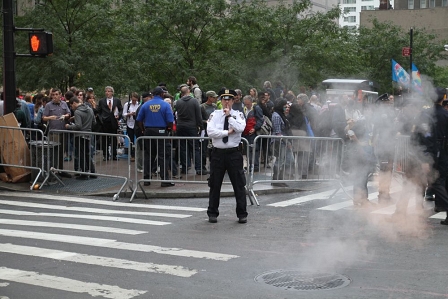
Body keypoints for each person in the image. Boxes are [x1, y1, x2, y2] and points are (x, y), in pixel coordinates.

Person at [206, 88, 248, 224]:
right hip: (218, 153)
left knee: (239, 185)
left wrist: (229, 117)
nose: (226, 102)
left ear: (233, 101)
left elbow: (240, 129)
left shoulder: (238, 114)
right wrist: (226, 133)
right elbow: (211, 132)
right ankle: (212, 212)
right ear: (221, 101)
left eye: (229, 99)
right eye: (224, 99)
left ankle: (242, 213)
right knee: (215, 184)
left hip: (233, 153)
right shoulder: (215, 115)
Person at [136, 87, 175, 188]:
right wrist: (169, 129)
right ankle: (164, 180)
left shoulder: (146, 105)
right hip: (161, 131)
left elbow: (139, 119)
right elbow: (170, 120)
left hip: (148, 131)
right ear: (162, 94)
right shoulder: (165, 105)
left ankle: (146, 179)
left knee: (149, 155)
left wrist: (143, 129)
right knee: (163, 156)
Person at [372, 94, 401, 203]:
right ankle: (383, 194)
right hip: (384, 144)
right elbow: (380, 129)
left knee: (389, 169)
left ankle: (386, 193)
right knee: (384, 170)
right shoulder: (380, 114)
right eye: (386, 101)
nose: (388, 103)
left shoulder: (389, 113)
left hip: (389, 143)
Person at [174, 84, 206, 175]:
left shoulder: (178, 102)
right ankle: (198, 168)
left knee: (183, 148)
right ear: (188, 92)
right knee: (195, 148)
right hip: (191, 127)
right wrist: (201, 127)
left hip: (180, 126)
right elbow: (198, 116)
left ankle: (184, 168)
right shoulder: (194, 101)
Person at [42, 88, 72, 178]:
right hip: (54, 133)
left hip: (63, 131)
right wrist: (50, 117)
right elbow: (43, 118)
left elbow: (69, 113)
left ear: (60, 95)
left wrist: (65, 116)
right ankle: (53, 171)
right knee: (54, 152)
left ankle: (60, 170)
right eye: (53, 95)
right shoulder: (48, 105)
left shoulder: (64, 104)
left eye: (56, 94)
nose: (54, 96)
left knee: (61, 152)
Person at [65, 97, 97, 180]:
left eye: (71, 106)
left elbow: (78, 126)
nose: (72, 108)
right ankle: (92, 172)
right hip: (88, 134)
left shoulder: (77, 112)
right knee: (87, 154)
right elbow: (94, 122)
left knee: (81, 154)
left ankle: (84, 173)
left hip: (79, 135)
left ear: (74, 103)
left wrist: (69, 126)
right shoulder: (89, 109)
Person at [271, 98, 294, 187]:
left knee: (289, 160)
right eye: (284, 106)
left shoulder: (281, 115)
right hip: (280, 142)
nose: (286, 108)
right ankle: (276, 179)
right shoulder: (276, 116)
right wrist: (286, 142)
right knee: (280, 160)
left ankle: (280, 178)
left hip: (285, 141)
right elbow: (278, 132)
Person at [95, 86, 123, 161]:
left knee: (114, 139)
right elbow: (98, 110)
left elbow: (121, 110)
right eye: (106, 91)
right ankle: (105, 155)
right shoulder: (102, 101)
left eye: (108, 91)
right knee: (105, 139)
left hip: (113, 122)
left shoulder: (117, 100)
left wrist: (119, 116)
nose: (107, 93)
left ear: (112, 92)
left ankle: (114, 155)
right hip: (104, 122)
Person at [242, 95, 263, 172]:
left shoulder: (256, 108)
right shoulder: (243, 109)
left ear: (251, 102)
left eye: (248, 104)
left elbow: (261, 120)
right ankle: (250, 164)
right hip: (245, 133)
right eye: (245, 104)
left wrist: (255, 128)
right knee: (247, 149)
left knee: (254, 149)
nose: (247, 106)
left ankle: (255, 165)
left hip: (253, 133)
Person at [200, 90, 218, 171]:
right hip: (205, 130)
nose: (215, 99)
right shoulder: (202, 107)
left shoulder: (215, 106)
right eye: (213, 97)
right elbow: (199, 119)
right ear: (209, 97)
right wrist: (206, 121)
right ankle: (202, 165)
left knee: (213, 148)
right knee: (204, 148)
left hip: (214, 129)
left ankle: (212, 164)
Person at [135, 91, 152, 172]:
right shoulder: (142, 107)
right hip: (140, 131)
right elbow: (139, 120)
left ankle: (143, 165)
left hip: (143, 130)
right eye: (150, 97)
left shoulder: (144, 106)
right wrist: (142, 130)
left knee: (145, 149)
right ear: (146, 98)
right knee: (141, 149)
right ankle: (140, 166)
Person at [123, 92, 140, 162]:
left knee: (138, 139)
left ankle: (138, 154)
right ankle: (132, 155)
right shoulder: (127, 105)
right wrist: (129, 114)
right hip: (130, 124)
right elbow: (124, 114)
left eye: (135, 100)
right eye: (133, 100)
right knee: (131, 140)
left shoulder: (139, 104)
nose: (134, 102)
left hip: (137, 124)